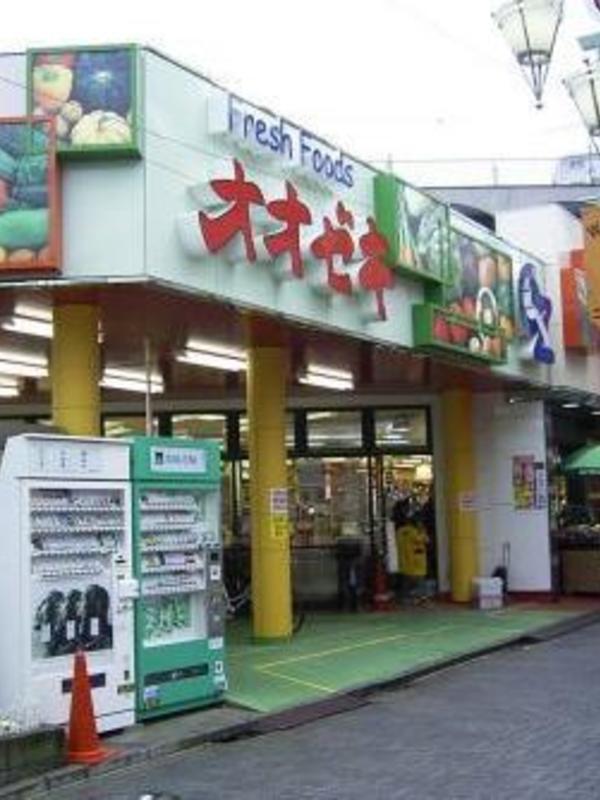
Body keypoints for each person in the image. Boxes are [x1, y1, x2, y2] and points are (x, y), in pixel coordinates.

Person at [396, 512, 429, 605]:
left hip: (404, 561)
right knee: (420, 581)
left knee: (406, 580)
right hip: (416, 561)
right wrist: (423, 531)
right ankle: (421, 598)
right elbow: (425, 540)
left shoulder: (400, 531)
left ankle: (404, 598)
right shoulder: (416, 532)